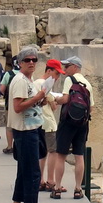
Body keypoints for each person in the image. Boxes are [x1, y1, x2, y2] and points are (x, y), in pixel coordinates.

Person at [8, 46, 48, 203]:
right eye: (27, 60)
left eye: (34, 60)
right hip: (25, 131)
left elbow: (28, 103)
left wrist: (39, 101)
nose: (31, 63)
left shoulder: (28, 80)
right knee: (33, 171)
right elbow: (18, 107)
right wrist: (36, 97)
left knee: (24, 169)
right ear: (20, 63)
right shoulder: (21, 81)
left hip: (31, 128)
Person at [51, 56, 94, 200]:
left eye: (67, 66)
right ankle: (77, 189)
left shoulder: (70, 80)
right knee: (79, 155)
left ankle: (57, 188)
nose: (65, 69)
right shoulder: (88, 83)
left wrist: (55, 99)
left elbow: (65, 99)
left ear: (75, 67)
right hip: (82, 123)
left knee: (61, 155)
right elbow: (91, 107)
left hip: (68, 121)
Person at [37, 58, 64, 191]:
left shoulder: (35, 82)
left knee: (42, 153)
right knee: (53, 151)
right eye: (56, 73)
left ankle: (40, 179)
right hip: (48, 123)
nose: (58, 77)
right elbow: (54, 105)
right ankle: (51, 180)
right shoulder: (44, 84)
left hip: (39, 122)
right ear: (49, 71)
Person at [0, 56, 18, 154]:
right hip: (23, 104)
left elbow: (1, 89)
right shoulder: (26, 75)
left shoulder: (8, 74)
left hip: (9, 105)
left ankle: (10, 146)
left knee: (9, 126)